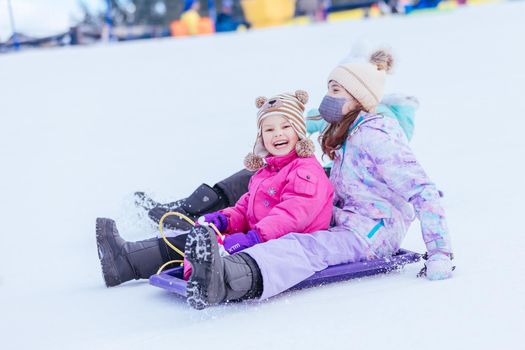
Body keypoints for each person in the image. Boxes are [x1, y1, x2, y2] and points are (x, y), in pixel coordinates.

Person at [182, 47, 454, 309]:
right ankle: (211, 245)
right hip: (344, 219)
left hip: (371, 232)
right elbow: (307, 119)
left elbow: (423, 190)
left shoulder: (377, 136)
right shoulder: (347, 129)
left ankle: (227, 278)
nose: (327, 97)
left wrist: (440, 254)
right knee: (280, 209)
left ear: (357, 97)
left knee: (303, 247)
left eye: (335, 90)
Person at [96, 90, 334, 287]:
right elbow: (247, 206)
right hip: (261, 235)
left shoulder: (306, 172)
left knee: (222, 251)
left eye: (286, 127)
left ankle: (207, 276)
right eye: (269, 130)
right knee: (198, 240)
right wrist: (225, 219)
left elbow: (291, 216)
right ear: (261, 137)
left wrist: (253, 237)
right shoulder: (268, 169)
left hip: (288, 243)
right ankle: (127, 260)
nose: (278, 134)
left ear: (299, 132)